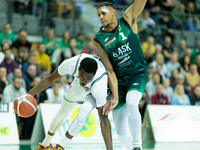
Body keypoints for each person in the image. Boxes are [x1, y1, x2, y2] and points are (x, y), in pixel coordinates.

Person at [26, 54, 113, 150]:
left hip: (96, 90)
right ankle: (45, 144)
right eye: (83, 76)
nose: (84, 80)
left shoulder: (99, 86)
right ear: (78, 69)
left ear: (93, 74)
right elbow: (50, 79)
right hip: (78, 84)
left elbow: (104, 120)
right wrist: (28, 95)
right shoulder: (70, 64)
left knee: (84, 109)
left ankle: (60, 146)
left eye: (88, 78)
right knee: (62, 112)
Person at [94, 1, 148, 150]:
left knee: (132, 102)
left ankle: (137, 145)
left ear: (113, 12)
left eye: (103, 13)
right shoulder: (99, 39)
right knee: (120, 131)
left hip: (137, 73)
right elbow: (110, 70)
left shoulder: (128, 19)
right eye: (98, 15)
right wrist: (115, 96)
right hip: (118, 80)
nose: (101, 17)